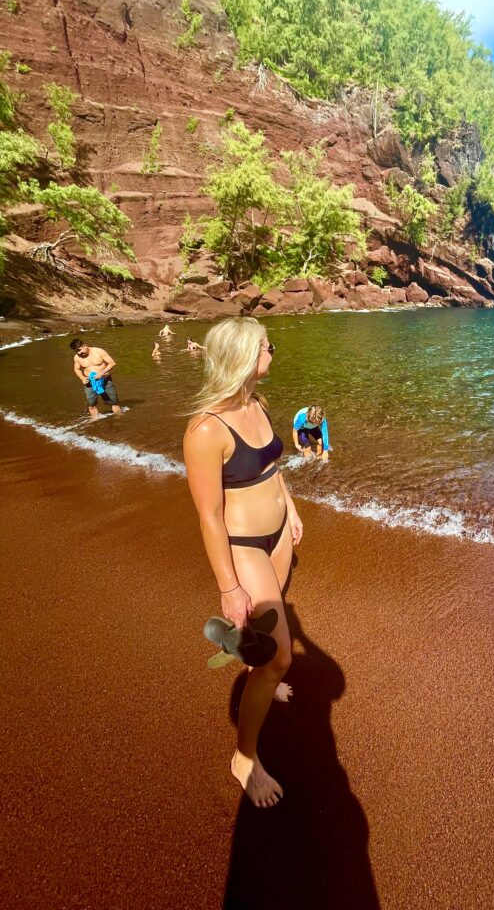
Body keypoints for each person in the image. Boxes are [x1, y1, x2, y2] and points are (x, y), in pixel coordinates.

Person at [183, 318, 302, 809]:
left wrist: (291, 508)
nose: (272, 349)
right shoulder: (206, 429)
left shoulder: (257, 403)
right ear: (245, 354)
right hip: (245, 543)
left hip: (278, 536)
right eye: (266, 344)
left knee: (269, 628)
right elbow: (209, 517)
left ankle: (259, 670)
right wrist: (229, 588)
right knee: (281, 658)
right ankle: (244, 758)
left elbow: (273, 467)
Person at [70, 338, 121, 419]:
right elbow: (76, 369)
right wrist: (82, 377)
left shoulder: (99, 351)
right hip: (89, 382)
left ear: (84, 346)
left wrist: (102, 372)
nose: (79, 353)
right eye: (76, 351)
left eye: (79, 350)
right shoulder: (77, 357)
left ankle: (119, 419)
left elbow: (112, 363)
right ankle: (96, 421)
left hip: (105, 379)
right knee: (91, 404)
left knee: (114, 402)